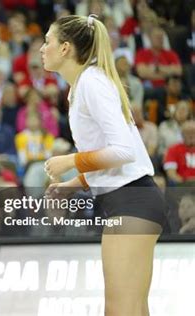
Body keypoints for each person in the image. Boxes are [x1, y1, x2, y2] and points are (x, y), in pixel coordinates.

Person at [40, 15, 167, 316]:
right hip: (132, 199)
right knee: (135, 309)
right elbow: (112, 158)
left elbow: (123, 151)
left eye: (48, 41)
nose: (42, 48)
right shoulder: (83, 85)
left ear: (66, 48)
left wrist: (70, 161)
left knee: (120, 310)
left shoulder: (91, 83)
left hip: (131, 201)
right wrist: (72, 185)